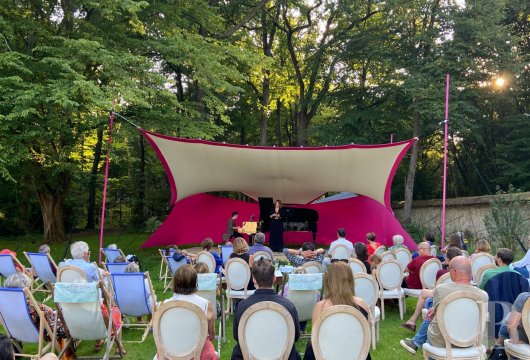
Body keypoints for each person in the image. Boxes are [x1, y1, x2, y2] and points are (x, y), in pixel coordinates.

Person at [399, 256, 488, 354]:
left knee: (431, 313)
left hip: (442, 341)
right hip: (471, 342)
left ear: (454, 271)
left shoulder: (441, 290)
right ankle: (415, 342)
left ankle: (416, 342)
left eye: (448, 269)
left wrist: (435, 309)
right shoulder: (483, 295)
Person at [231, 259, 301, 360]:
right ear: (274, 279)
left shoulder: (242, 306)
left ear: (254, 279)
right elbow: (295, 337)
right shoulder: (288, 306)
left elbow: (237, 337)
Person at [303, 262, 371, 360]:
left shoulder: (320, 306)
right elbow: (366, 335)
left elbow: (316, 338)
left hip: (325, 355)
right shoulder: (362, 304)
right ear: (350, 280)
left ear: (328, 281)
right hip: (355, 354)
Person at [157, 265, 218, 360]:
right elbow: (211, 334)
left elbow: (159, 335)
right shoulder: (205, 304)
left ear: (175, 283)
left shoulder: (164, 305)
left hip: (170, 354)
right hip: (198, 354)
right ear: (195, 282)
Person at [400, 246, 461, 332]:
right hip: (459, 296)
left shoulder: (442, 273)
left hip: (443, 296)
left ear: (448, 258)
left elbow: (438, 290)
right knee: (425, 294)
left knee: (426, 296)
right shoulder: (465, 273)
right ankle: (412, 321)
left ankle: (412, 321)